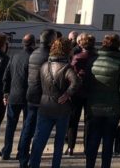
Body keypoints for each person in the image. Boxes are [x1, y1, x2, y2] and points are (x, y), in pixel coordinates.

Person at [30, 38, 81, 168]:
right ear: (67, 50)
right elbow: (76, 82)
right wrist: (67, 94)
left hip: (45, 105)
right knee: (58, 143)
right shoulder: (66, 68)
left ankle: (33, 164)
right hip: (62, 108)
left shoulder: (44, 66)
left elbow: (36, 85)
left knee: (39, 140)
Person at [85, 33, 120, 168]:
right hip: (113, 109)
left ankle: (89, 165)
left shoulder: (93, 60)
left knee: (92, 140)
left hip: (94, 107)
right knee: (108, 142)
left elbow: (86, 83)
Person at [18, 28, 57, 168]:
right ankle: (34, 160)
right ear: (52, 41)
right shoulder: (50, 56)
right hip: (43, 97)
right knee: (39, 132)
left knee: (27, 128)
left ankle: (22, 158)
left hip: (31, 93)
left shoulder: (33, 53)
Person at [2, 33, 35, 161]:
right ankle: (21, 151)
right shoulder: (33, 58)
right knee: (27, 126)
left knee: (10, 125)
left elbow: (6, 76)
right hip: (28, 97)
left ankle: (6, 151)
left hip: (13, 95)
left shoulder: (14, 56)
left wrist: (6, 92)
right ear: (33, 43)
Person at [66, 33, 97, 157]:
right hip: (91, 92)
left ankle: (70, 147)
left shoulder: (76, 58)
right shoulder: (97, 58)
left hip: (76, 92)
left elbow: (70, 74)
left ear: (81, 44)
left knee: (73, 120)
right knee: (88, 122)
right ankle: (87, 147)